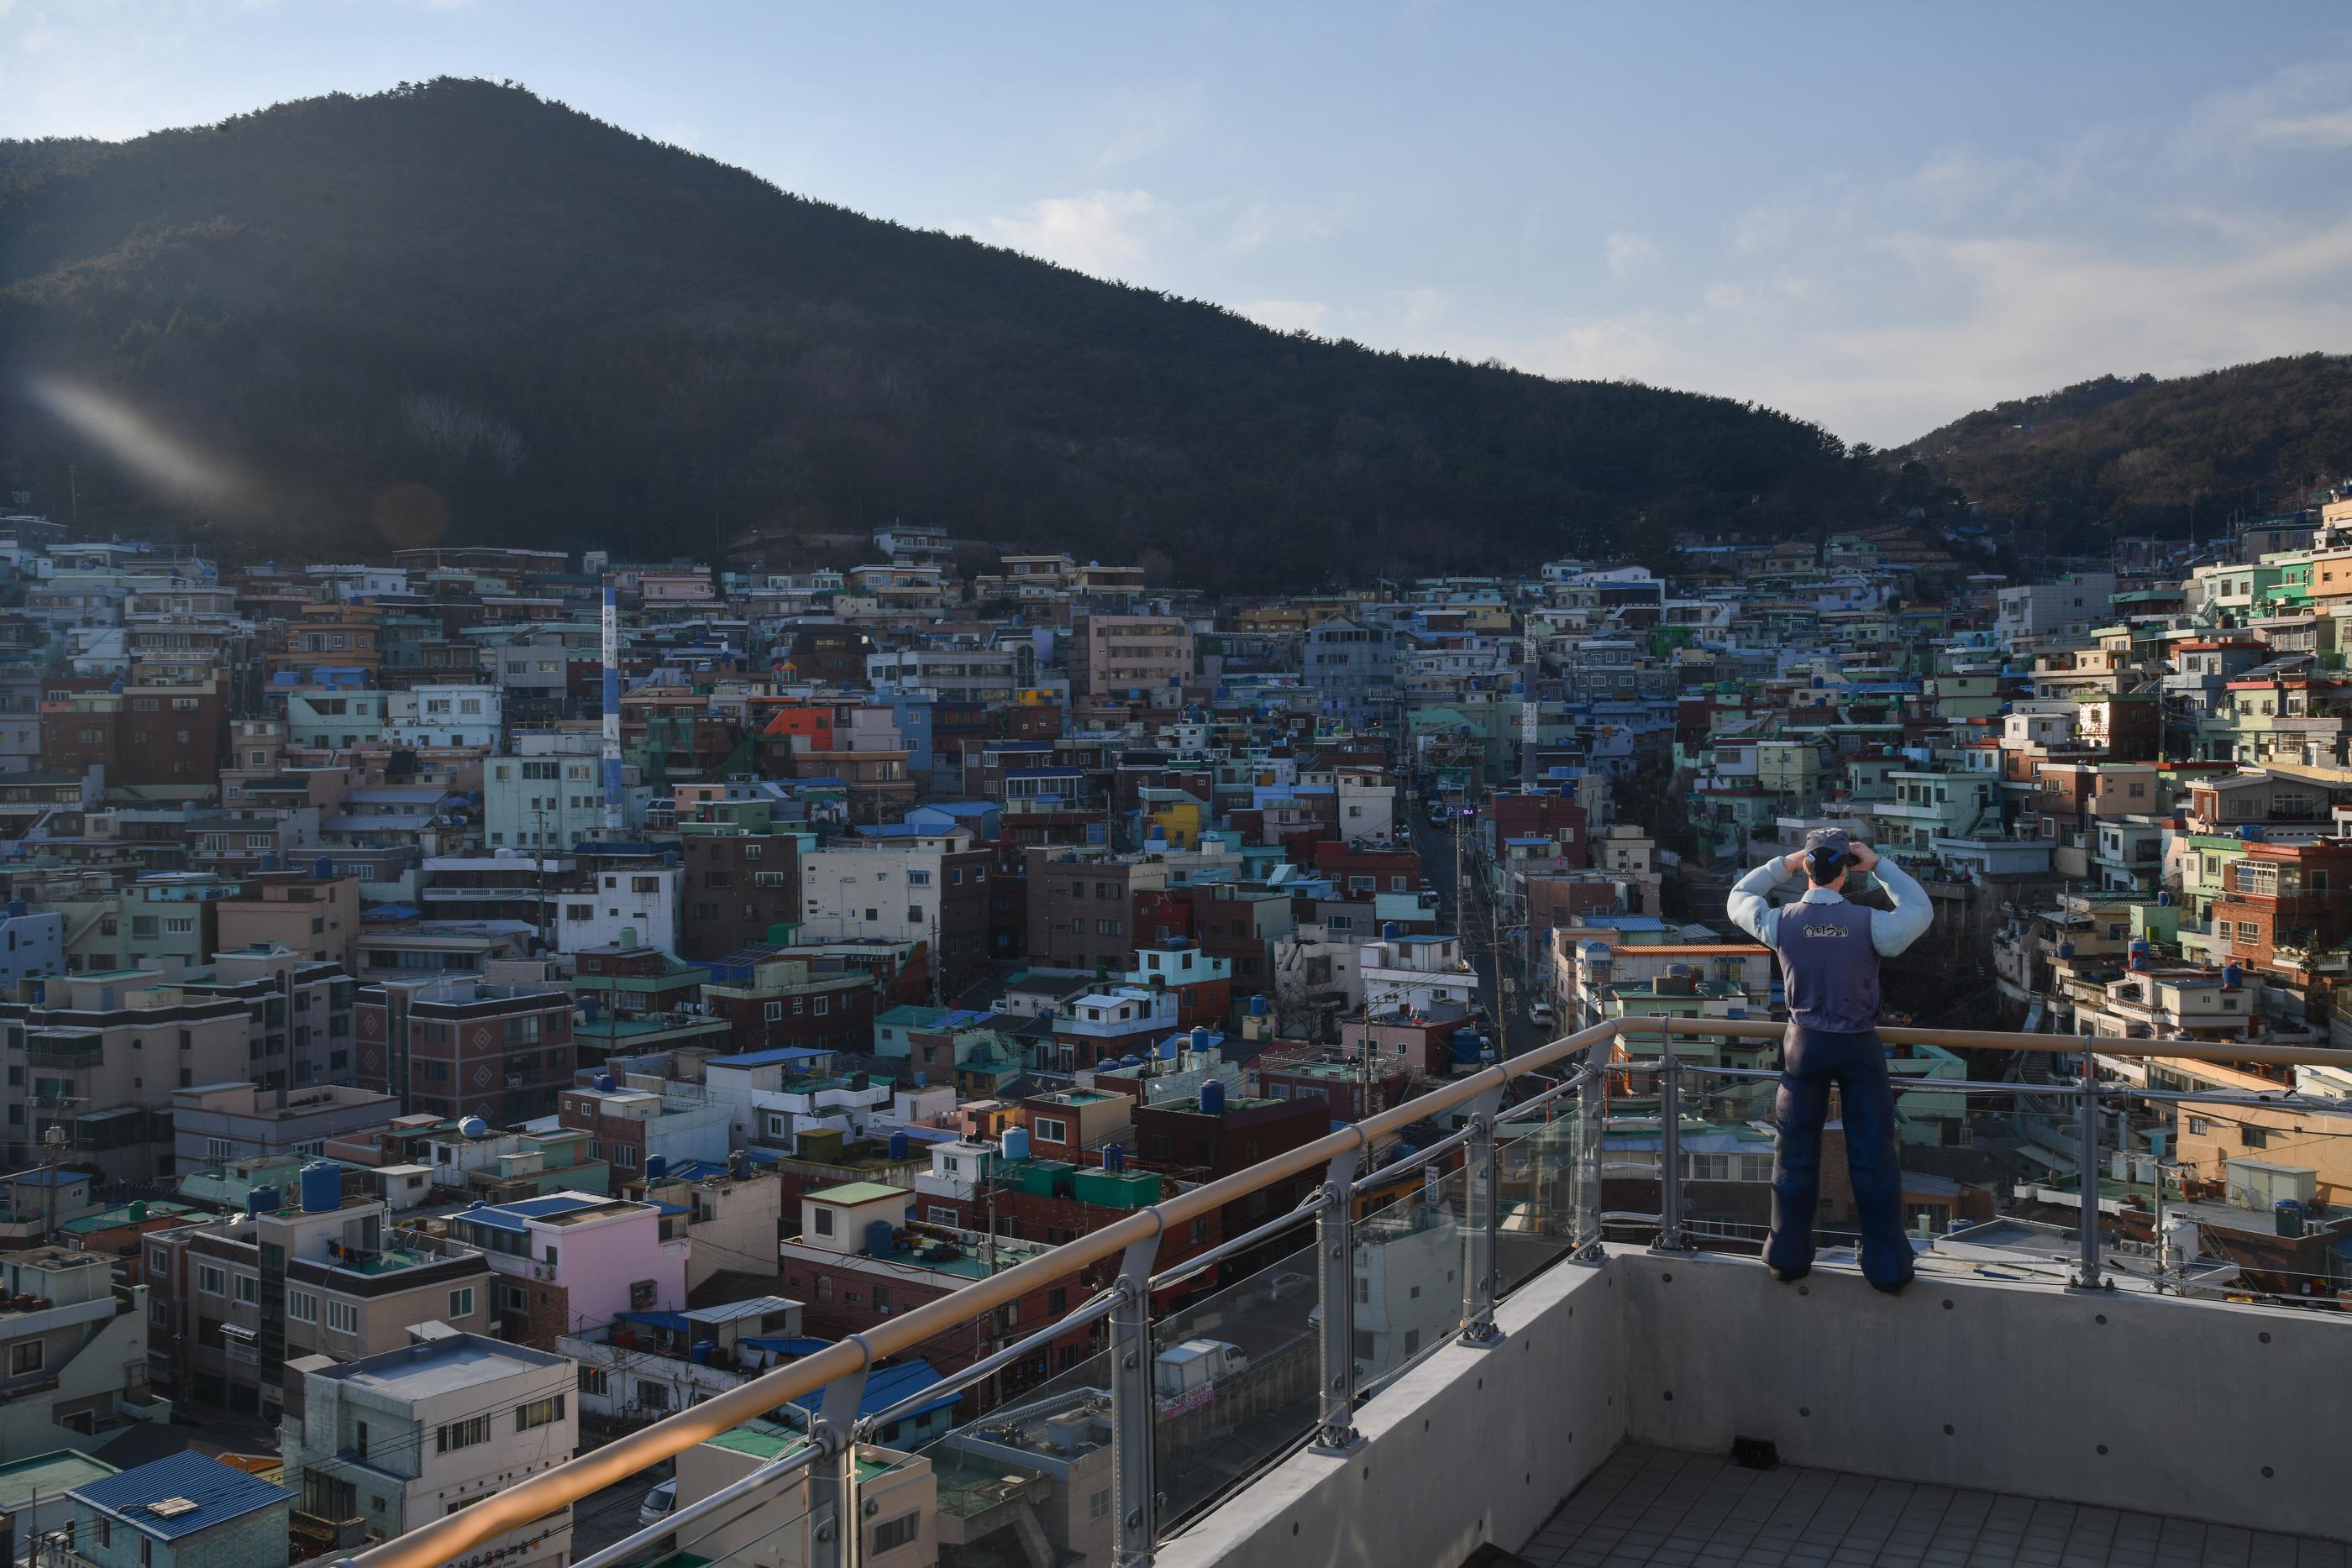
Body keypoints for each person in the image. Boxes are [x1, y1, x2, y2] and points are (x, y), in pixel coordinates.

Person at [1725, 829, 1932, 1293]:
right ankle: (1887, 1263)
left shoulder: (1781, 922)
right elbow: (1920, 910)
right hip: (1859, 1044)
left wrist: (1784, 863)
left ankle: (1787, 1253)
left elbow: (1739, 896)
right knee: (1874, 1156)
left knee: (1794, 1155)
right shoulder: (1870, 923)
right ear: (1845, 871)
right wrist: (1878, 865)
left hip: (1803, 1046)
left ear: (1807, 871)